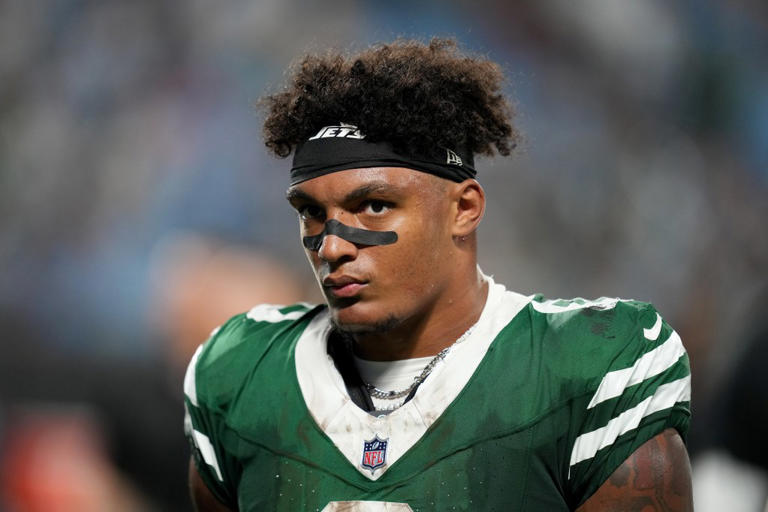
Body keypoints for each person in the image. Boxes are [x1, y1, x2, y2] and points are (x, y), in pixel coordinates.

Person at [183, 38, 692, 511]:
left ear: (463, 209)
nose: (332, 245)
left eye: (375, 205)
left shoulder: (586, 368)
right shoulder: (241, 377)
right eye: (311, 213)